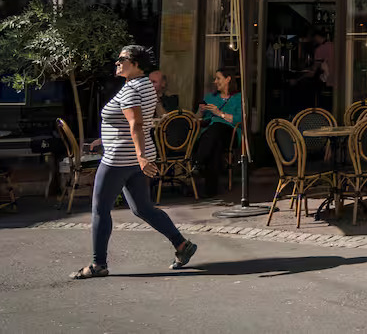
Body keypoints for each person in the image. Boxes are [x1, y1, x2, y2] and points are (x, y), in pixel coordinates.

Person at [70, 44, 197, 279]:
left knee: (100, 209)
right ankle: (182, 245)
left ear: (136, 64)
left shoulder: (131, 90)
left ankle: (99, 264)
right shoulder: (145, 85)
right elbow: (135, 121)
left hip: (120, 158)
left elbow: (136, 124)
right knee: (143, 208)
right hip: (137, 156)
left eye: (122, 59)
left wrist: (140, 157)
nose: (117, 62)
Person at [191, 68, 242, 197]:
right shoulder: (209, 97)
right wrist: (201, 112)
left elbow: (240, 120)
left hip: (230, 134)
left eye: (218, 78)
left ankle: (197, 161)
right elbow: (196, 119)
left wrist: (219, 113)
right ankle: (210, 191)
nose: (215, 81)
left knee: (217, 128)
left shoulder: (239, 98)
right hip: (211, 136)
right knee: (215, 145)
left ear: (228, 79)